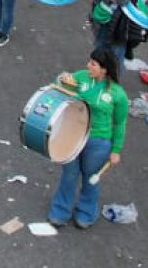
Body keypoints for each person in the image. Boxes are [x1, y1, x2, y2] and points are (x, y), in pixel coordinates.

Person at [46, 47, 130, 230]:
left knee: (91, 177)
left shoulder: (117, 94)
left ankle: (86, 213)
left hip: (98, 141)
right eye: (89, 62)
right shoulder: (81, 77)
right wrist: (62, 79)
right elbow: (58, 87)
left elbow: (120, 123)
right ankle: (60, 211)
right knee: (69, 174)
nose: (88, 66)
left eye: (93, 64)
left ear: (104, 69)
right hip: (72, 135)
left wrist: (116, 150)